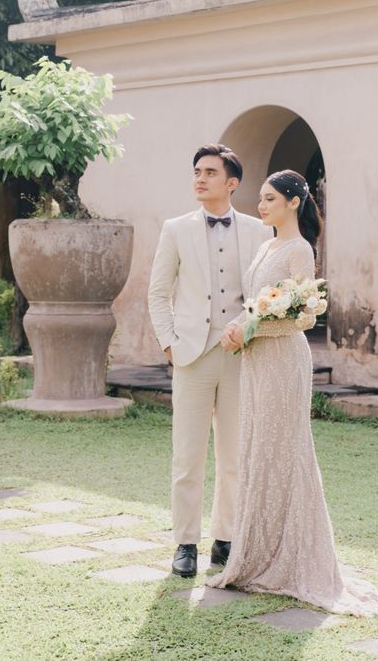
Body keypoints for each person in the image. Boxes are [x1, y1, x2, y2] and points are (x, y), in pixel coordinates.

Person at [208, 169, 378, 616]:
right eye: (261, 199)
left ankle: (295, 559)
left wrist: (251, 327)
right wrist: (238, 326)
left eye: (271, 199)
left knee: (285, 449)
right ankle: (257, 554)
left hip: (283, 361)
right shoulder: (265, 247)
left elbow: (303, 318)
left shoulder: (300, 250)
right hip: (256, 361)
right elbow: (254, 303)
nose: (262, 206)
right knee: (258, 449)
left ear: (293, 202)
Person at [148, 144, 270, 577]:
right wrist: (169, 344)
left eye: (210, 173)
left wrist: (245, 327)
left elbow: (263, 295)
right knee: (188, 455)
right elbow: (158, 292)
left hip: (240, 354)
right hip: (191, 356)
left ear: (231, 183)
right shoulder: (175, 229)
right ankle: (185, 544)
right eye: (196, 171)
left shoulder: (259, 232)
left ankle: (225, 539)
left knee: (236, 455)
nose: (200, 178)